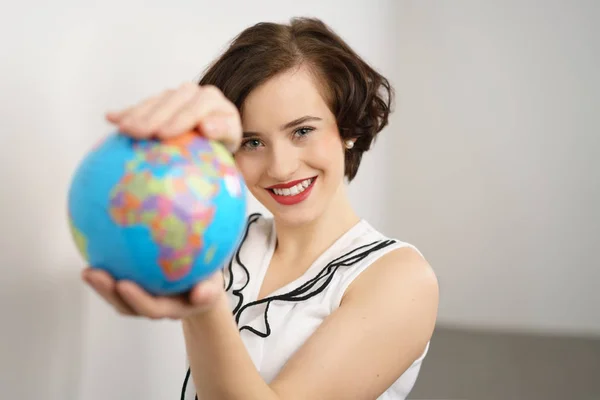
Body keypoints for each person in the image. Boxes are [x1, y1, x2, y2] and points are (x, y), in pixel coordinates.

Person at [81, 17, 439, 400]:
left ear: (348, 128)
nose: (280, 167)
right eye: (252, 142)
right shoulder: (229, 236)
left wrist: (204, 305)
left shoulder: (400, 279)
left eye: (302, 131)